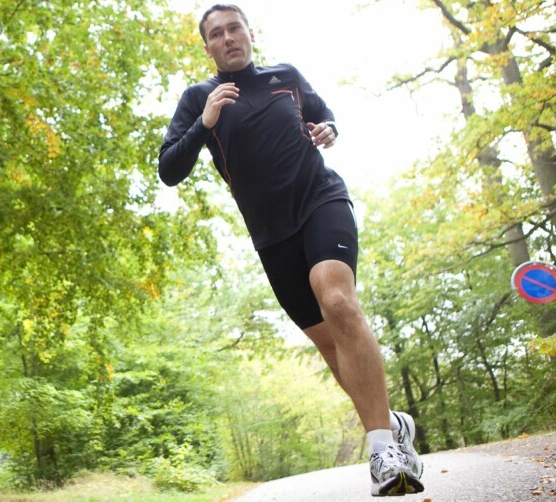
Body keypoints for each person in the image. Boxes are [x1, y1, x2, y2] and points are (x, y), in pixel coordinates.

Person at [158, 4, 424, 497]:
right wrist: (205, 121)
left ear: (250, 33)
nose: (228, 38)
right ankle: (392, 423)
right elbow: (169, 169)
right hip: (270, 235)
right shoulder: (198, 98)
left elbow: (324, 117)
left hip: (320, 199)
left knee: (337, 298)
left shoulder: (286, 75)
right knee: (328, 343)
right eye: (216, 34)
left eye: (234, 28)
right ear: (207, 47)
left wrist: (330, 130)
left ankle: (383, 450)